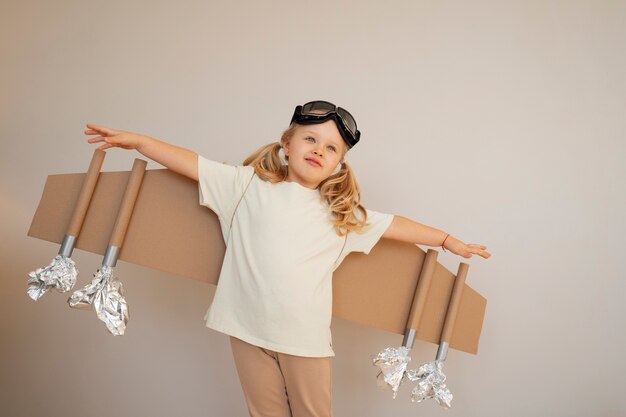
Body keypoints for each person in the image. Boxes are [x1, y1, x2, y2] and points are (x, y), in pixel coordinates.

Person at [85, 100, 491, 417]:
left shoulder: (342, 215)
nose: (319, 150)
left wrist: (446, 240)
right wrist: (138, 141)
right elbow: (190, 162)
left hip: (304, 341)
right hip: (245, 330)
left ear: (338, 165)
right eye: (311, 139)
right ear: (287, 143)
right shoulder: (244, 186)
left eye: (331, 148)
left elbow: (396, 226)